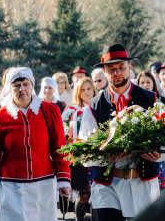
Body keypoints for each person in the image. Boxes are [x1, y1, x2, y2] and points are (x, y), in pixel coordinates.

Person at [79, 44, 165, 221]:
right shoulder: (94, 106)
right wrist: (105, 158)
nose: (117, 72)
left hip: (142, 182)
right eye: (111, 69)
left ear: (129, 67)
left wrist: (158, 154)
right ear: (104, 72)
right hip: (107, 184)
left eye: (121, 67)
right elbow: (83, 152)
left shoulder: (151, 99)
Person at [0, 67, 71, 220]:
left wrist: (63, 178)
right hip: (11, 188)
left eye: (26, 84)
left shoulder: (49, 111)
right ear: (10, 89)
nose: (22, 89)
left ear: (32, 85)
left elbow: (59, 148)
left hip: (43, 186)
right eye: (16, 85)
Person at [65, 77, 97, 221]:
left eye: (89, 88)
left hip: (98, 156)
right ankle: (80, 219)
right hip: (79, 157)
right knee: (83, 194)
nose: (86, 92)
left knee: (98, 193)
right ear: (77, 92)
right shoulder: (71, 111)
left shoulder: (99, 107)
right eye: (83, 89)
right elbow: (65, 134)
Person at [136, 71, 165, 189]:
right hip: (139, 149)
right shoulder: (135, 103)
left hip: (156, 147)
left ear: (153, 83)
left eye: (148, 82)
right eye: (142, 82)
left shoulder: (162, 101)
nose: (145, 85)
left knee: (161, 185)